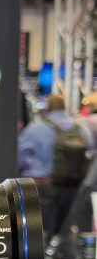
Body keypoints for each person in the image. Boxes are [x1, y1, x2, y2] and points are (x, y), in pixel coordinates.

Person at [18, 94, 91, 241]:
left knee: (42, 228)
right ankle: (61, 250)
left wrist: (28, 169)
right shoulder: (80, 128)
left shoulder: (36, 128)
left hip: (43, 184)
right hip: (72, 184)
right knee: (65, 228)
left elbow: (21, 156)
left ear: (47, 107)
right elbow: (90, 151)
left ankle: (46, 252)